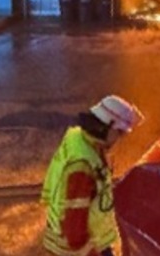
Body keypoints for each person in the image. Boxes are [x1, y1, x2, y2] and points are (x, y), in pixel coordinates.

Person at [41, 95, 144, 256]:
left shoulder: (80, 138)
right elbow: (74, 232)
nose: (120, 139)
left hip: (88, 240)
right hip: (76, 249)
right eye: (119, 133)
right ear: (108, 128)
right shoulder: (82, 167)